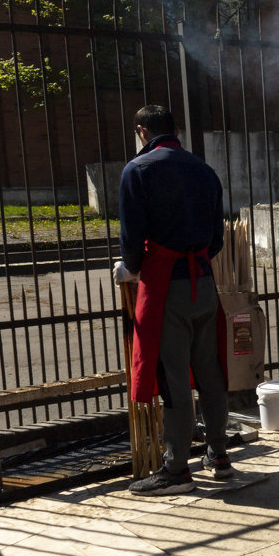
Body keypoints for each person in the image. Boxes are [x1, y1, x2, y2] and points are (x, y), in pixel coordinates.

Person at [115, 105, 233, 495]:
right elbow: (216, 238)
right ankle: (219, 454)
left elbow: (133, 236)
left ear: (141, 131)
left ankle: (176, 469)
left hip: (167, 288)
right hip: (203, 282)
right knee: (210, 372)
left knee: (175, 379)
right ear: (176, 131)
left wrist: (130, 267)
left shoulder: (138, 170)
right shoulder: (205, 170)